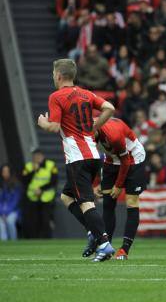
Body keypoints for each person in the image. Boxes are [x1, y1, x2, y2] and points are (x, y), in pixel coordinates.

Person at [36, 58, 116, 260]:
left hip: (77, 158)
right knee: (66, 197)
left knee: (86, 202)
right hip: (93, 154)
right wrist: (94, 127)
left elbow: (54, 127)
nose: (53, 77)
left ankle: (104, 243)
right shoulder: (86, 94)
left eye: (54, 74)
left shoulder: (56, 96)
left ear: (59, 76)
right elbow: (110, 108)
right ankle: (94, 233)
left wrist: (43, 122)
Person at [95, 118, 147, 259]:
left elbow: (126, 161)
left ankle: (124, 249)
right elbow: (92, 157)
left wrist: (118, 186)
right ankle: (107, 248)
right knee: (108, 204)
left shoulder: (114, 135)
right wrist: (96, 183)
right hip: (111, 160)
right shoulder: (88, 131)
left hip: (133, 159)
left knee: (131, 203)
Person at [21, 149, 58, 239]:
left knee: (46, 220)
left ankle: (47, 240)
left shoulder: (51, 165)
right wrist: (33, 171)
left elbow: (54, 181)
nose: (37, 158)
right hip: (32, 197)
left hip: (46, 197)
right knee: (33, 221)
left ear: (42, 156)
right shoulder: (28, 166)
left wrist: (41, 189)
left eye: (39, 156)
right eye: (35, 157)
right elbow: (24, 180)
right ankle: (34, 240)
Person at [0, 164, 22, 240]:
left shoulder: (16, 185)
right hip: (2, 212)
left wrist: (6, 213)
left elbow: (15, 202)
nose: (5, 173)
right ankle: (4, 243)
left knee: (10, 221)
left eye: (7, 171)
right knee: (1, 223)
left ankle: (13, 241)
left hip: (13, 211)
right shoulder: (2, 185)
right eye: (3, 172)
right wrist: (2, 213)